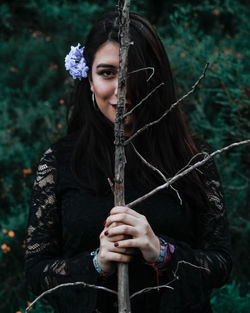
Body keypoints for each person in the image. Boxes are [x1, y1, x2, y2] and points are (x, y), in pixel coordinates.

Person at [24, 11, 232, 313]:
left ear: (157, 79)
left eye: (136, 73)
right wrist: (96, 263)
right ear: (89, 80)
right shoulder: (59, 162)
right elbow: (35, 271)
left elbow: (221, 264)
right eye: (107, 73)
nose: (123, 89)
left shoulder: (192, 159)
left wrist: (163, 253)